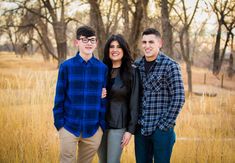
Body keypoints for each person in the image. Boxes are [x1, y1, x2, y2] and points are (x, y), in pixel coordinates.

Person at [52, 25, 108, 163]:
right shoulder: (66, 66)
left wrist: (101, 125)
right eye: (85, 40)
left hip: (93, 128)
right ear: (77, 42)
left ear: (96, 43)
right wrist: (60, 124)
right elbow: (59, 97)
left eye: (92, 40)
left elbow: (104, 99)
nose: (89, 43)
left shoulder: (102, 68)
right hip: (69, 126)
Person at [134, 28, 185, 163]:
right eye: (144, 42)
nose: (147, 45)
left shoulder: (171, 66)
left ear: (160, 43)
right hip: (141, 128)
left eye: (151, 42)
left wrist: (164, 125)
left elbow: (179, 97)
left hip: (160, 130)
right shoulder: (136, 65)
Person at [98, 34, 140, 163]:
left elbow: (135, 102)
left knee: (112, 161)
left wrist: (130, 130)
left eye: (118, 47)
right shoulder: (101, 70)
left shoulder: (132, 72)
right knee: (102, 161)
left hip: (119, 125)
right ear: (107, 50)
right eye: (111, 46)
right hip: (99, 124)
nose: (114, 50)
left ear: (124, 49)